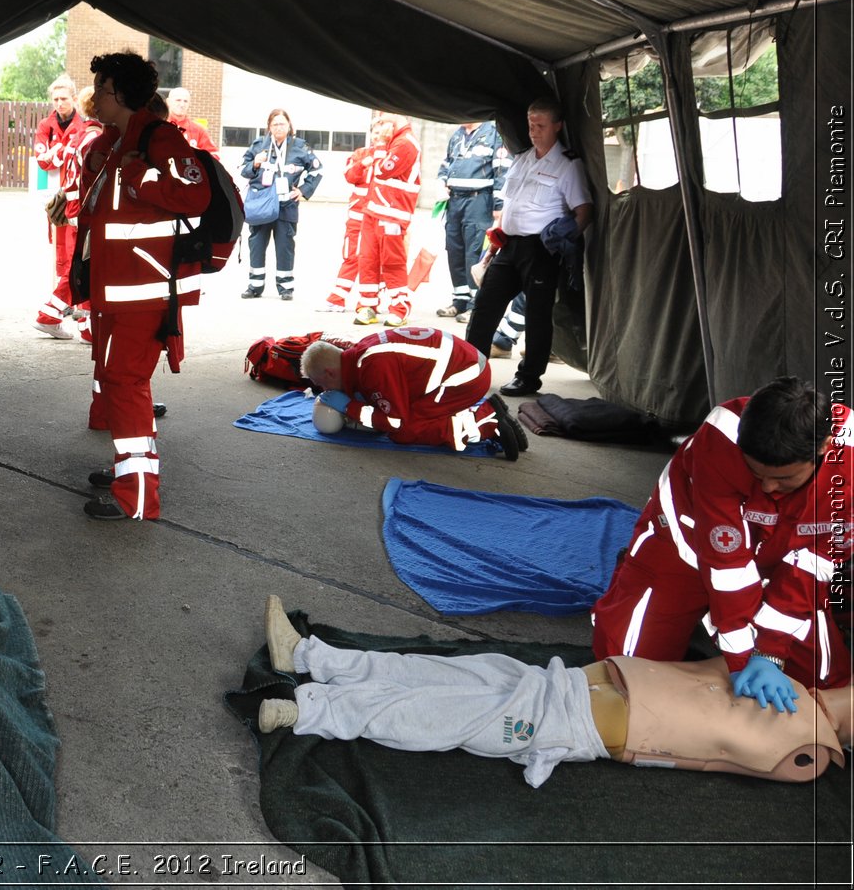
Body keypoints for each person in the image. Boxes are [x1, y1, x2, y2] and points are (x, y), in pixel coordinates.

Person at [256, 596, 853, 788]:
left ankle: (307, 711)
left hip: (574, 727)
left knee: (435, 714)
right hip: (567, 681)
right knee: (442, 672)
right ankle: (312, 656)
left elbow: (703, 755)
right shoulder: (798, 674)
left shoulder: (807, 754)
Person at [591, 377, 853, 700]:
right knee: (625, 674)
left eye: (783, 478)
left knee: (824, 683)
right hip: (686, 546)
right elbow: (727, 566)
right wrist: (742, 659)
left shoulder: (849, 470)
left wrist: (770, 652)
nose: (769, 487)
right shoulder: (720, 442)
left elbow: (813, 566)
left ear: (823, 447)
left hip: (783, 553)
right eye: (757, 474)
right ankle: (638, 575)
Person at [79, 52, 209, 521]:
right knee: (120, 382)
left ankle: (135, 496)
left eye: (100, 88)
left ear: (119, 93)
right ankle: (126, 472)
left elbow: (195, 193)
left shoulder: (161, 138)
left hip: (141, 292)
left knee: (126, 382)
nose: (94, 97)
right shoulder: (120, 139)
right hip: (116, 290)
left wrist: (138, 176)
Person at [463, 96, 593, 396]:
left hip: (541, 248)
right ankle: (470, 368)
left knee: (537, 314)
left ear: (557, 127)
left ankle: (529, 377)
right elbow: (511, 205)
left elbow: (584, 210)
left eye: (540, 125)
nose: (534, 131)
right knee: (484, 307)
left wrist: (567, 237)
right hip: (509, 246)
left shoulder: (567, 165)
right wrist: (496, 241)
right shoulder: (522, 159)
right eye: (531, 124)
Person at [300, 328, 527, 460]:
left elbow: (394, 421)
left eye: (321, 384)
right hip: (465, 365)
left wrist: (351, 408)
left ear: (330, 373)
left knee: (404, 431)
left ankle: (487, 421)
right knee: (410, 417)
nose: (324, 391)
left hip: (466, 378)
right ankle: (490, 415)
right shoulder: (361, 353)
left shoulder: (372, 367)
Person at [238, 108, 323, 301]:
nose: (278, 127)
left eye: (282, 124)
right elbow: (243, 169)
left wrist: (303, 190)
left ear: (289, 126)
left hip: (286, 205)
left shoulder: (300, 147)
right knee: (257, 244)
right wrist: (256, 164)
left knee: (285, 246)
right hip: (261, 204)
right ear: (269, 127)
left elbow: (317, 170)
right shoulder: (259, 145)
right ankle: (255, 285)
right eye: (275, 124)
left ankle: (286, 287)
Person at [436, 121, 511, 320]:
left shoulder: (494, 133)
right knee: (454, 250)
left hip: (479, 200)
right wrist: (442, 182)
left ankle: (475, 303)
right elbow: (446, 162)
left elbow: (501, 169)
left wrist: (498, 205)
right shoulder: (458, 134)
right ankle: (459, 300)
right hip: (455, 201)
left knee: (474, 252)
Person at [353, 114, 421, 327]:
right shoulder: (394, 140)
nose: (379, 123)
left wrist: (381, 144)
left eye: (382, 118)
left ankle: (400, 307)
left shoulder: (405, 143)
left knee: (393, 261)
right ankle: (368, 305)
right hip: (373, 209)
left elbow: (383, 171)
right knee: (367, 259)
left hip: (393, 212)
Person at [32, 75, 87, 340]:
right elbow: (43, 161)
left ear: (74, 99)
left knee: (79, 258)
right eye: (55, 99)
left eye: (64, 98)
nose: (59, 103)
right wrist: (60, 151)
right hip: (56, 201)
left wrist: (58, 151)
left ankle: (77, 316)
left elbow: (65, 155)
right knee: (65, 259)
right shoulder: (46, 124)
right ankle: (66, 313)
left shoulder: (83, 125)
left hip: (75, 200)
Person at [322, 121, 392, 313]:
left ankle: (369, 303)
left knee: (375, 261)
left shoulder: (391, 155)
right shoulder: (361, 153)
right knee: (351, 255)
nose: (377, 136)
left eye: (381, 132)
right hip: (357, 216)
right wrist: (363, 164)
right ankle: (337, 299)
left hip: (380, 217)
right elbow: (349, 176)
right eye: (375, 132)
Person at [164, 86, 218, 152]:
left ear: (189, 104)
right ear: (168, 102)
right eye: (178, 100)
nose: (182, 104)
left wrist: (199, 154)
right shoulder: (159, 127)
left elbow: (213, 155)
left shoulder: (199, 130)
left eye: (185, 101)